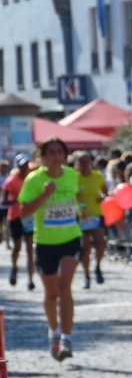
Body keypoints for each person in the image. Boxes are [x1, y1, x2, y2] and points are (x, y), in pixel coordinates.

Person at [17, 139, 84, 361]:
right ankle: (53, 332)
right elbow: (24, 211)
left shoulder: (72, 175)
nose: (56, 156)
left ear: (65, 155)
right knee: (51, 293)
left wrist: (81, 209)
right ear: (43, 156)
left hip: (70, 238)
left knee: (65, 286)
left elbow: (77, 196)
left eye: (60, 152)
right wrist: (45, 196)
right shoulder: (34, 180)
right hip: (45, 243)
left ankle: (67, 337)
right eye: (51, 152)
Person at [73, 151, 107, 288]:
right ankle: (86, 276)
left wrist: (102, 197)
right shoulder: (74, 178)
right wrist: (79, 207)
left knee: (100, 243)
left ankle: (97, 266)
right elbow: (73, 195)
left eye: (87, 161)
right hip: (81, 216)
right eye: (81, 162)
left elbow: (105, 192)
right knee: (85, 248)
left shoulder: (98, 176)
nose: (85, 164)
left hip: (96, 214)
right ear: (77, 164)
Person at [4, 157, 33, 290]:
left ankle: (30, 279)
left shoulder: (32, 179)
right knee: (17, 247)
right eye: (23, 165)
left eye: (27, 164)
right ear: (18, 166)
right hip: (15, 217)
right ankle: (14, 268)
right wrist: (19, 201)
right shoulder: (11, 180)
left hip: (29, 217)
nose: (26, 167)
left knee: (30, 249)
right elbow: (4, 201)